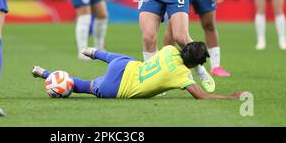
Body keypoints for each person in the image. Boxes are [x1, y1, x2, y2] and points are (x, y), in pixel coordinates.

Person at [32, 43, 245, 99]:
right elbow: (202, 96)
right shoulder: (182, 76)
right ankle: (45, 73)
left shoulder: (170, 50)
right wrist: (230, 96)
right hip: (116, 88)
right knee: (82, 86)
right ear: (195, 63)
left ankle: (95, 52)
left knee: (126, 59)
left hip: (123, 66)